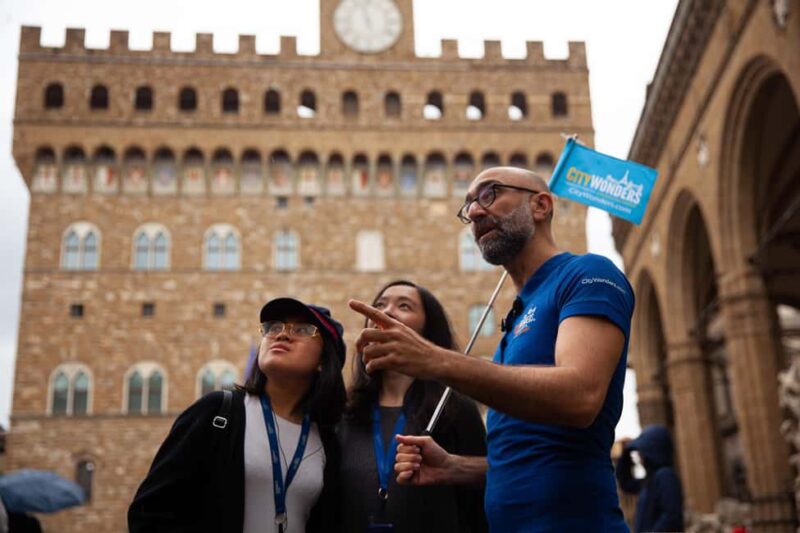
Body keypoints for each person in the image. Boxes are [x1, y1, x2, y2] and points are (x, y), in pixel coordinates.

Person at [349, 167, 635, 532]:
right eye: (468, 204)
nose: (475, 212)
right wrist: (455, 467)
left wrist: (434, 360)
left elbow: (580, 396)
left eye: (490, 194)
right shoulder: (515, 318)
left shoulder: (587, 274)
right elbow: (533, 455)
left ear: (541, 205)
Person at [128, 297, 347, 533]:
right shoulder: (217, 413)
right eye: (274, 327)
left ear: (324, 361)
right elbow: (149, 512)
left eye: (303, 329)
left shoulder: (326, 439)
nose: (282, 334)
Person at [338, 280, 487, 533]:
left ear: (427, 332)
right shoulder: (345, 412)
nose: (386, 312)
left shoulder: (456, 409)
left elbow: (478, 504)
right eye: (380, 305)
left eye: (404, 306)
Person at [616, 425, 683, 532]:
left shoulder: (665, 476)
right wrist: (626, 454)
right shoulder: (649, 481)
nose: (640, 455)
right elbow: (625, 483)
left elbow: (671, 517)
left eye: (643, 450)